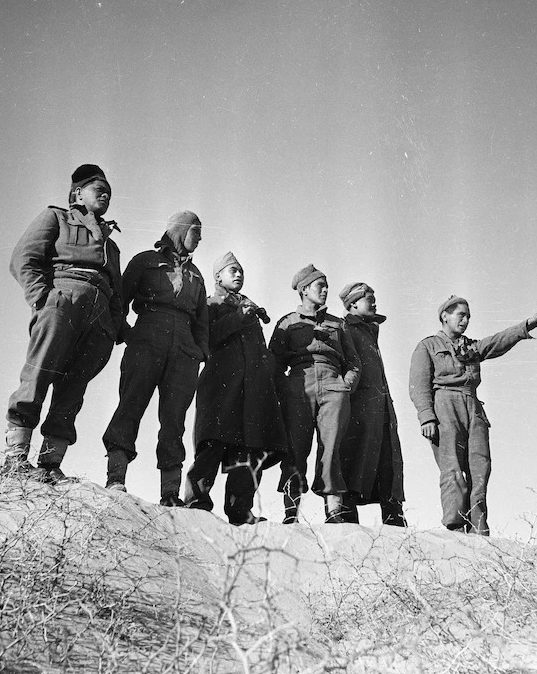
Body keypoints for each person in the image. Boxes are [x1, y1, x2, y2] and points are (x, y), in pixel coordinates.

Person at [4, 164, 122, 483]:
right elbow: (23, 258)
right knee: (39, 372)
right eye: (96, 187)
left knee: (73, 389)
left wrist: (113, 326)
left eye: (108, 189)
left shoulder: (112, 245)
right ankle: (15, 458)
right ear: (77, 193)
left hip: (99, 320)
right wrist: (43, 300)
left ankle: (50, 464)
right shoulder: (56, 218)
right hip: (62, 301)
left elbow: (118, 294)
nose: (104, 192)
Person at [409, 296, 537, 535]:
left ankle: (478, 525)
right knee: (452, 466)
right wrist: (427, 417)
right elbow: (418, 385)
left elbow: (497, 342)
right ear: (444, 316)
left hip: (473, 406)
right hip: (445, 404)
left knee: (480, 466)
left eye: (468, 316)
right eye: (460, 315)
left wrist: (526, 325)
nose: (465, 320)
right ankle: (455, 524)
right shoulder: (428, 346)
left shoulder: (471, 347)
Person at [102, 211, 208, 506]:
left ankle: (170, 494)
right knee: (130, 405)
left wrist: (201, 351)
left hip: (184, 350)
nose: (199, 239)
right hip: (147, 338)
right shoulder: (145, 261)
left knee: (174, 420)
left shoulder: (196, 274)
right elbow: (118, 298)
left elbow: (202, 320)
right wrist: (126, 333)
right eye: (195, 232)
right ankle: (116, 478)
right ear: (180, 231)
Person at [184, 252, 287, 525]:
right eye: (232, 270)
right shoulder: (209, 304)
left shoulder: (250, 309)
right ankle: (196, 503)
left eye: (241, 270)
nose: (238, 274)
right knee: (213, 444)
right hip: (220, 386)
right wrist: (240, 316)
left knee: (250, 449)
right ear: (218, 276)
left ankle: (240, 511)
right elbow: (208, 336)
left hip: (252, 391)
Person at [269, 264, 361, 524]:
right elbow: (273, 362)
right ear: (304, 289)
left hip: (333, 384)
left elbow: (354, 362)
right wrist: (284, 388)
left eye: (327, 285)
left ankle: (333, 510)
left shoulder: (337, 324)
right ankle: (291, 511)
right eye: (320, 286)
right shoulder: (288, 322)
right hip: (299, 385)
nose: (326, 290)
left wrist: (346, 385)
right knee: (295, 449)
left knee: (331, 448)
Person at [339, 282, 406, 526]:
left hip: (380, 407)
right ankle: (346, 519)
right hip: (358, 407)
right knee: (354, 456)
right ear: (353, 303)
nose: (374, 301)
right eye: (369, 297)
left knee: (388, 459)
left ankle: (394, 517)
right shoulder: (344, 328)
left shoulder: (369, 330)